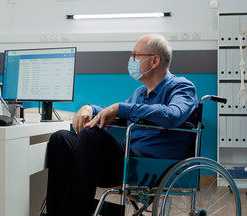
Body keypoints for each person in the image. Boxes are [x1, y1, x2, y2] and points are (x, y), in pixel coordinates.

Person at [46, 34, 198, 216]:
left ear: (154, 60)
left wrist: (120, 108)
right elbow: (118, 113)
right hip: (129, 160)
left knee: (91, 135)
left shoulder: (181, 87)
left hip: (152, 165)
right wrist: (90, 108)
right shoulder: (141, 93)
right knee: (60, 138)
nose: (131, 60)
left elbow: (173, 115)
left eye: (136, 55)